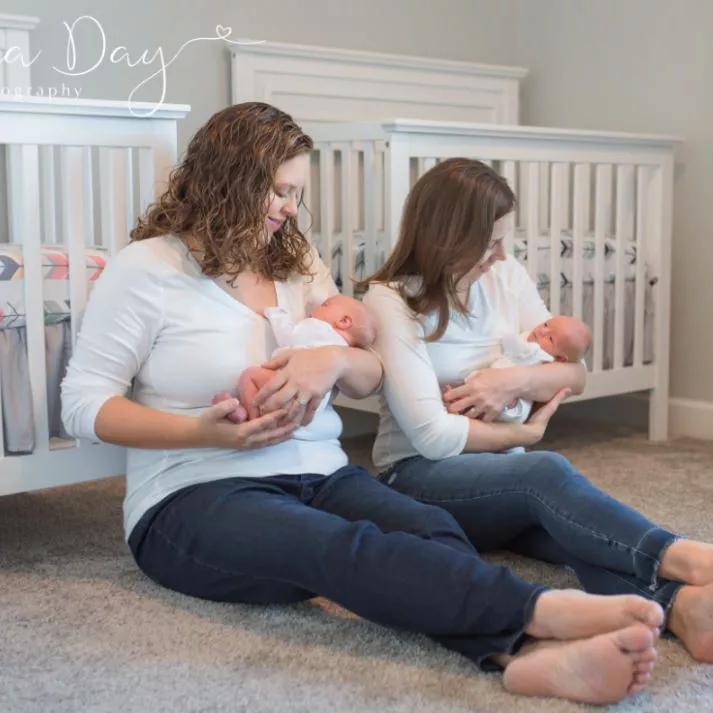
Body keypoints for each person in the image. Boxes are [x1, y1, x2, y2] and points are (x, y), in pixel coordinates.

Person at [60, 103, 664, 706]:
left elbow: (371, 371)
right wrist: (206, 434)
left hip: (320, 472)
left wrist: (334, 361)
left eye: (296, 192)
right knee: (338, 548)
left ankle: (518, 657)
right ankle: (541, 616)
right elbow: (83, 406)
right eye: (277, 190)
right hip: (195, 493)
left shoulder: (295, 261)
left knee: (431, 529)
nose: (290, 208)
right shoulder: (147, 268)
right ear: (226, 180)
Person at [361, 157, 713, 668]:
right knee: (546, 473)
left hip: (496, 477)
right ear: (447, 236)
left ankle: (681, 607)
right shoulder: (391, 301)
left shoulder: (504, 275)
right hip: (416, 477)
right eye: (490, 242)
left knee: (575, 532)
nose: (501, 254)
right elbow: (434, 439)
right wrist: (522, 431)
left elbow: (575, 372)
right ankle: (683, 556)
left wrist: (514, 380)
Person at [214, 294, 377, 424]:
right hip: (313, 404)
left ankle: (252, 417)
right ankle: (242, 411)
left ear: (343, 321)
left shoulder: (318, 327)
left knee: (250, 375)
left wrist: (276, 315)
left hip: (291, 389)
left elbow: (288, 336)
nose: (316, 307)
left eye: (325, 305)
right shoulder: (345, 348)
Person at [444, 314, 592, 426]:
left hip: (516, 402)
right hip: (492, 381)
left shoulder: (541, 356)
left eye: (551, 339)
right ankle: (462, 404)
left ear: (560, 359)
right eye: (546, 324)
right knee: (476, 389)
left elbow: (510, 341)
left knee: (509, 409)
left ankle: (465, 406)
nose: (542, 331)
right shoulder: (529, 337)